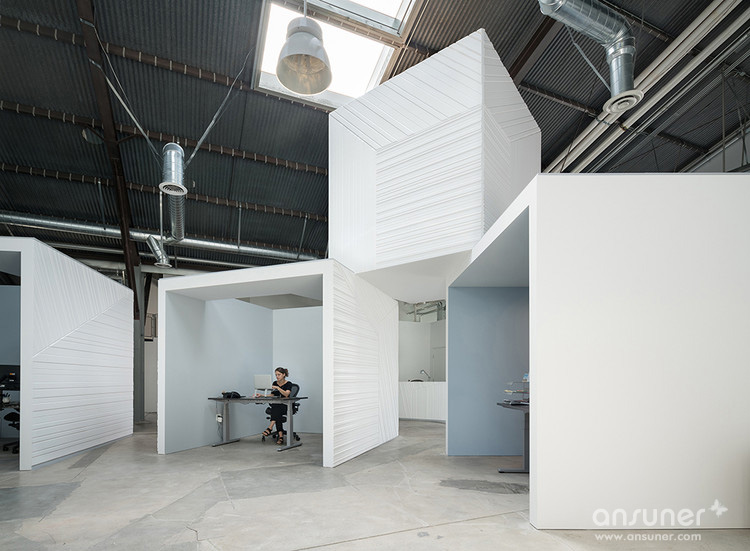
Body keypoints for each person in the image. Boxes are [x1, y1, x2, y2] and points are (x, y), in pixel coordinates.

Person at [259, 367, 292, 445]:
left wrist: (278, 388)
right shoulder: (275, 383)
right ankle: (280, 436)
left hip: (286, 406)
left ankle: (270, 427)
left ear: (284, 375)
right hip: (277, 407)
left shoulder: (288, 384)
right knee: (277, 410)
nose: (277, 376)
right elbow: (273, 395)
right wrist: (263, 395)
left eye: (279, 374)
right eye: (276, 375)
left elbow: (286, 394)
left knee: (276, 409)